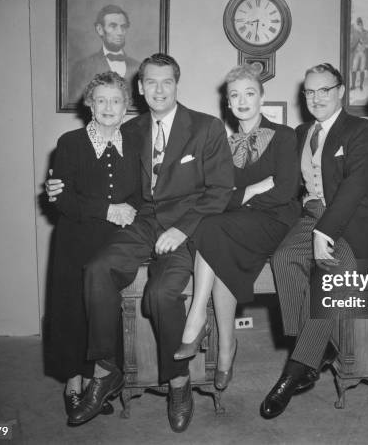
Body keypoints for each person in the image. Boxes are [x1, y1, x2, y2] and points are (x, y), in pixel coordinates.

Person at [47, 53, 234, 432]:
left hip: (185, 230)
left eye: (166, 81)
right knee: (98, 268)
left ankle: (179, 383)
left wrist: (183, 229)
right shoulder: (129, 132)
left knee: (161, 295)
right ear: (140, 87)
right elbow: (102, 174)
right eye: (151, 82)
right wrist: (58, 187)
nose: (159, 89)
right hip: (143, 223)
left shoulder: (206, 127)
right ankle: (105, 370)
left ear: (177, 84)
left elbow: (219, 191)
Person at [260, 63, 368, 419]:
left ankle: (295, 369)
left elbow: (355, 185)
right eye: (310, 92)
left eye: (325, 90)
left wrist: (324, 233)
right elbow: (287, 184)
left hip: (356, 221)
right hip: (313, 213)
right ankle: (314, 348)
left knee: (328, 277)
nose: (317, 98)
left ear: (341, 91)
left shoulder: (361, 129)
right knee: (284, 259)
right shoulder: (301, 132)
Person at [173, 64, 300, 391]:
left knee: (211, 227)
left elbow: (285, 191)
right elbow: (214, 197)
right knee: (216, 240)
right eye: (234, 96)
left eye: (249, 93)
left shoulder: (285, 136)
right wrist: (253, 191)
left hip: (277, 222)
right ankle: (227, 348)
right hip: (235, 225)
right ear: (228, 103)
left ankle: (196, 315)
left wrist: (237, 198)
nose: (242, 101)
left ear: (261, 97)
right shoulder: (224, 146)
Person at [47, 71, 141, 421]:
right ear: (89, 104)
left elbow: (138, 196)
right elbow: (62, 199)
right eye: (100, 100)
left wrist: (134, 213)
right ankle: (73, 385)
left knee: (105, 313)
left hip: (114, 245)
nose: (108, 107)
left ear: (126, 106)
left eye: (115, 100)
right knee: (73, 312)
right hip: (75, 241)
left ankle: (99, 383)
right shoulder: (70, 143)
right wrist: (107, 209)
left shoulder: (132, 144)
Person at [68, 5, 140, 104]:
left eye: (123, 27)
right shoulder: (83, 67)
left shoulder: (138, 67)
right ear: (100, 29)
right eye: (113, 26)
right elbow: (74, 103)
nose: (120, 32)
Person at [349, 17, 368, 91]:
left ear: (362, 24)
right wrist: (357, 42)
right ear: (357, 25)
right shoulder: (354, 33)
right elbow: (352, 43)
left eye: (361, 24)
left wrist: (366, 45)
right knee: (353, 69)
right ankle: (353, 85)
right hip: (356, 53)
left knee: (362, 69)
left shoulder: (366, 33)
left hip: (363, 53)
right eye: (358, 24)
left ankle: (361, 85)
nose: (360, 25)